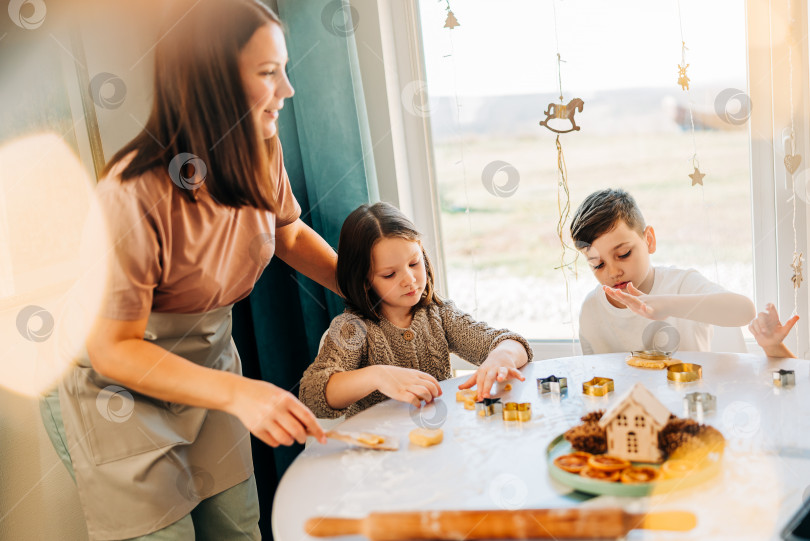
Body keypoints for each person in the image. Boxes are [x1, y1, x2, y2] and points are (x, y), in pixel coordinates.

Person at [39, 1, 334, 539]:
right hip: (116, 388)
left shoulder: (262, 147)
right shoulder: (131, 194)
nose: (287, 90)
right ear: (213, 81)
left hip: (209, 368)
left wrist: (364, 288)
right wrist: (242, 394)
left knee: (237, 528)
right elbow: (114, 347)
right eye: (269, 73)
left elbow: (286, 232)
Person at [299, 202, 532, 419]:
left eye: (414, 263)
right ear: (364, 280)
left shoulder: (440, 315)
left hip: (440, 441)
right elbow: (311, 394)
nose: (409, 280)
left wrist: (502, 355)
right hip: (383, 453)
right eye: (390, 274)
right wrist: (376, 375)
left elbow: (511, 343)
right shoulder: (353, 328)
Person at [570, 188, 755, 354]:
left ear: (649, 240)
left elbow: (745, 311)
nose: (613, 272)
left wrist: (667, 305)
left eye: (623, 254)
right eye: (598, 264)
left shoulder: (682, 285)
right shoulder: (591, 309)